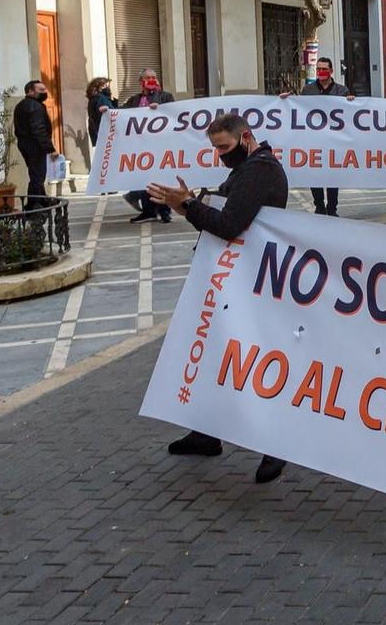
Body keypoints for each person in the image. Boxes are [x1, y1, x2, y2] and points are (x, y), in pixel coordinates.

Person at [146, 111, 292, 484]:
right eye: (214, 149)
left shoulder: (260, 171)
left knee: (251, 361)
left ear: (245, 138)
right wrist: (190, 204)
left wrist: (190, 207)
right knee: (213, 353)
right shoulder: (248, 168)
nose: (219, 155)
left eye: (223, 147)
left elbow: (229, 224)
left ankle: (275, 444)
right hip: (234, 279)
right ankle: (206, 431)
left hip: (250, 283)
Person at [122, 70, 176, 223]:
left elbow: (174, 113)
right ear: (141, 82)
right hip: (141, 146)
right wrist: (106, 112)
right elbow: (121, 114)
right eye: (148, 78)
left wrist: (160, 107)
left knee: (162, 178)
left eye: (154, 77)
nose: (151, 80)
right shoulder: (134, 100)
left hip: (161, 144)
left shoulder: (165, 96)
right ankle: (148, 211)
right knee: (144, 178)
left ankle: (165, 210)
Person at [302, 57, 349, 216]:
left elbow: (349, 114)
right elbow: (298, 109)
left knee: (332, 175)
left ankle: (332, 208)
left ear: (331, 71)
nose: (321, 72)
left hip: (333, 140)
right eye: (319, 69)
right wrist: (286, 100)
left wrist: (351, 102)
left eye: (324, 69)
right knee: (314, 174)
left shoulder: (342, 91)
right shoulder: (307, 91)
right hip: (313, 140)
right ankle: (319, 206)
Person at [13, 79, 57, 202]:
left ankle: (42, 200)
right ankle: (35, 204)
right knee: (38, 175)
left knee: (35, 173)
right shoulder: (35, 107)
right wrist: (50, 149)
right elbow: (39, 130)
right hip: (34, 146)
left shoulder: (21, 105)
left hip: (24, 144)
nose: (45, 92)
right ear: (30, 92)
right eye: (41, 90)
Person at [85, 77, 115, 149]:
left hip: (98, 134)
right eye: (105, 85)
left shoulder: (92, 99)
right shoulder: (100, 98)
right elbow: (109, 115)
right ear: (99, 87)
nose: (108, 87)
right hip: (106, 134)